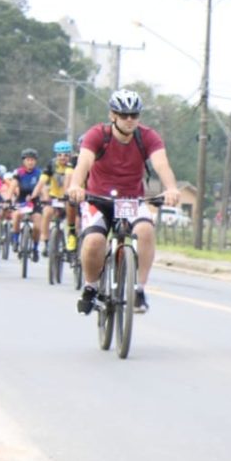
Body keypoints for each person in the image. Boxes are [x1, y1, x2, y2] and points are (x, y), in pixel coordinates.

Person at [67, 89, 181, 315]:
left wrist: (171, 188)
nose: (129, 120)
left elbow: (161, 164)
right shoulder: (97, 135)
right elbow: (84, 163)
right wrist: (76, 186)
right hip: (98, 199)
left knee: (146, 229)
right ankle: (91, 286)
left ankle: (138, 290)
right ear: (112, 115)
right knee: (94, 241)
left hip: (131, 200)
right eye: (124, 115)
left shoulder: (147, 137)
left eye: (134, 115)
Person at [35, 140, 77, 254]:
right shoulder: (52, 164)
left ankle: (72, 238)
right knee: (47, 211)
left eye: (66, 155)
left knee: (75, 220)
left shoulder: (73, 163)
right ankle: (46, 241)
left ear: (70, 154)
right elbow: (41, 182)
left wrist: (66, 195)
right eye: (59, 155)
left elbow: (68, 180)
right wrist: (34, 196)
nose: (63, 157)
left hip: (69, 197)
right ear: (56, 155)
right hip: (55, 197)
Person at [9, 148, 44, 259]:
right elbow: (13, 185)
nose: (30, 162)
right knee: (16, 215)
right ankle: (15, 239)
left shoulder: (39, 173)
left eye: (33, 160)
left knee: (38, 226)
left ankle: (35, 248)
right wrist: (8, 198)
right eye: (28, 160)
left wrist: (45, 198)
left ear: (36, 161)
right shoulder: (18, 172)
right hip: (21, 199)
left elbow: (42, 187)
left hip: (34, 200)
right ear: (24, 161)